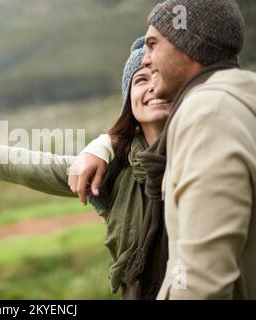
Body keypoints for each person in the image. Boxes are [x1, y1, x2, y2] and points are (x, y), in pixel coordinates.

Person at [0, 36, 171, 299]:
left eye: (160, 76)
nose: (152, 87)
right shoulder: (110, 172)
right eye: (141, 80)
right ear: (128, 102)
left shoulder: (203, 154)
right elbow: (18, 164)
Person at [71, 0, 256, 299]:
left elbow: (202, 279)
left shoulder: (208, 114)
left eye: (153, 45)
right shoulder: (239, 100)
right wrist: (106, 143)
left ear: (187, 45)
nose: (145, 60)